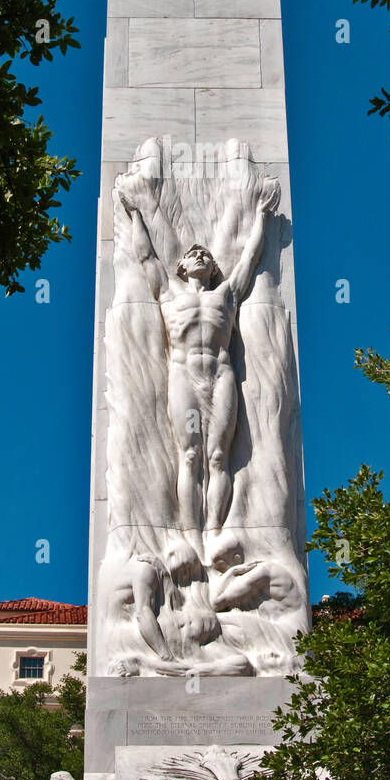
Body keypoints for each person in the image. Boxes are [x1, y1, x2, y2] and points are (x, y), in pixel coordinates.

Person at [118, 179, 279, 541]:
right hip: (183, 374)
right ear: (182, 266)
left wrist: (264, 215)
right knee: (190, 456)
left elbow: (251, 259)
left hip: (221, 374)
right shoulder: (168, 293)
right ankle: (190, 535)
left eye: (206, 254)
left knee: (218, 457)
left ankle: (213, 534)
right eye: (194, 254)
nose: (201, 255)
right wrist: (135, 214)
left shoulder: (227, 295)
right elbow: (146, 257)